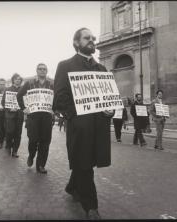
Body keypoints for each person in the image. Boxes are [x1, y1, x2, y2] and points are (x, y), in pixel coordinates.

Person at [52, 28, 114, 219]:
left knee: (86, 161)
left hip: (99, 126)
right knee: (84, 163)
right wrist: (75, 115)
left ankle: (73, 187)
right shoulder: (65, 66)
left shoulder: (102, 69)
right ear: (77, 42)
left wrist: (110, 109)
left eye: (93, 38)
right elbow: (59, 99)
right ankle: (91, 206)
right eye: (87, 38)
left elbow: (109, 98)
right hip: (80, 126)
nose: (92, 40)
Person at [17, 63, 54, 174]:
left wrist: (55, 109)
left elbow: (58, 97)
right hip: (33, 117)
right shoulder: (29, 83)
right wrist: (24, 108)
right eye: (40, 69)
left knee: (45, 142)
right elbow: (19, 96)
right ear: (36, 71)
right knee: (33, 140)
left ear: (47, 71)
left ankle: (41, 165)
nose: (42, 71)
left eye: (44, 69)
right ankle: (31, 155)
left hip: (47, 117)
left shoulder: (52, 84)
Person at [1, 73, 24, 157]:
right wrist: (9, 109)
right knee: (9, 132)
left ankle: (15, 150)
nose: (18, 80)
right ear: (13, 80)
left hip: (20, 115)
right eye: (16, 79)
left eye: (19, 79)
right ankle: (8, 147)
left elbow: (26, 101)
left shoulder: (23, 90)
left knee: (18, 134)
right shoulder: (8, 90)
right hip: (10, 115)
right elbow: (3, 102)